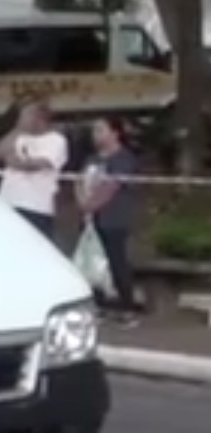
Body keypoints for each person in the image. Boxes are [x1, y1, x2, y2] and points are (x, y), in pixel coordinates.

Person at [81, 117, 147, 321]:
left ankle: (127, 305)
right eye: (94, 130)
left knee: (117, 260)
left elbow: (111, 186)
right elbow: (80, 180)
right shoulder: (94, 159)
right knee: (91, 260)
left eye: (100, 130)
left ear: (114, 133)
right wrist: (83, 205)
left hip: (114, 216)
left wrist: (91, 205)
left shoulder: (123, 158)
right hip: (91, 218)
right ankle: (99, 303)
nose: (96, 135)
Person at [0, 99, 67, 242]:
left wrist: (17, 163)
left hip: (35, 206)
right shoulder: (20, 136)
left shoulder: (56, 140)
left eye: (26, 115)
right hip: (9, 202)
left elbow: (40, 164)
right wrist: (17, 130)